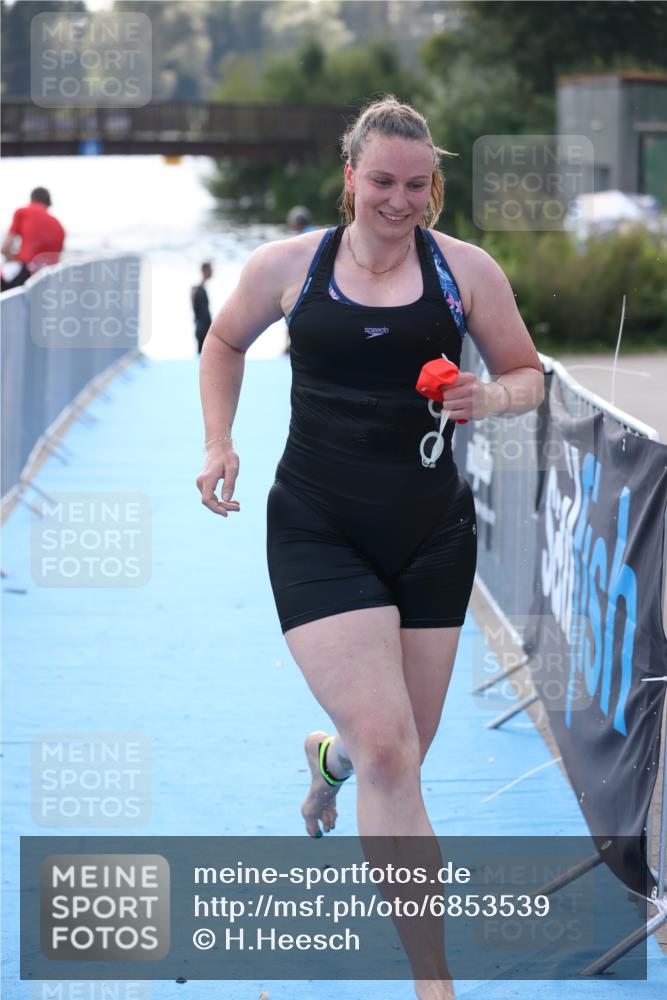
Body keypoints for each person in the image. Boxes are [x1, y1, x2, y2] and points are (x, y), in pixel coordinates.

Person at [196, 96, 544, 999]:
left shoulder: (466, 272)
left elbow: (527, 375)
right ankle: (434, 982)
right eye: (381, 181)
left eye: (416, 184)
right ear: (349, 176)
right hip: (318, 525)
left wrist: (489, 399)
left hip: (432, 532)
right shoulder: (289, 268)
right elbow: (224, 340)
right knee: (391, 748)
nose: (398, 200)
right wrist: (217, 441)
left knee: (394, 753)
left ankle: (328, 763)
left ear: (434, 186)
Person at [1, 187, 65, 291]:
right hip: (49, 280)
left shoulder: (22, 212)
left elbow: (4, 248)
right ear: (48, 203)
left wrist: (16, 257)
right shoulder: (59, 225)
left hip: (27, 275)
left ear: (32, 199)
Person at [191, 261, 213, 354]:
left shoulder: (197, 289)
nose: (212, 271)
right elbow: (201, 312)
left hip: (201, 327)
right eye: (210, 269)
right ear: (205, 270)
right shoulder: (199, 289)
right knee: (203, 355)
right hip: (203, 328)